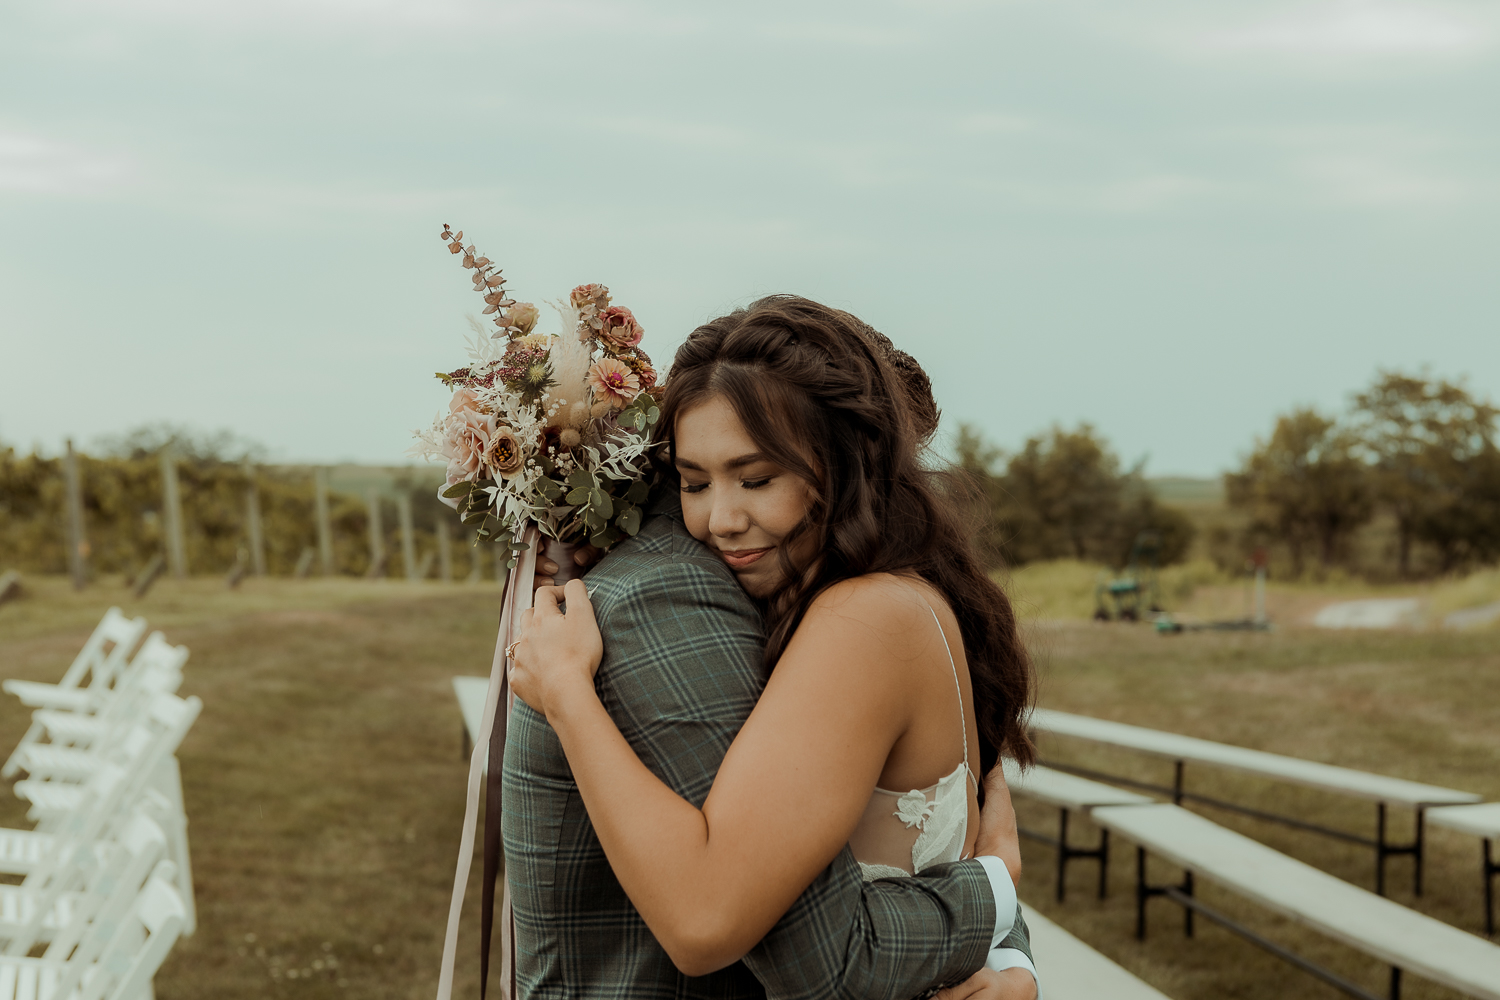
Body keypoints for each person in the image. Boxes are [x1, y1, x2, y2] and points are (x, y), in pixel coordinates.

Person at [507, 295, 1039, 999]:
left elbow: (706, 920)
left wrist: (568, 693)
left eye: (757, 480)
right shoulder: (871, 599)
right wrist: (1010, 952)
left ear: (846, 466)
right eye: (694, 483)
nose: (721, 520)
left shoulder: (866, 618)